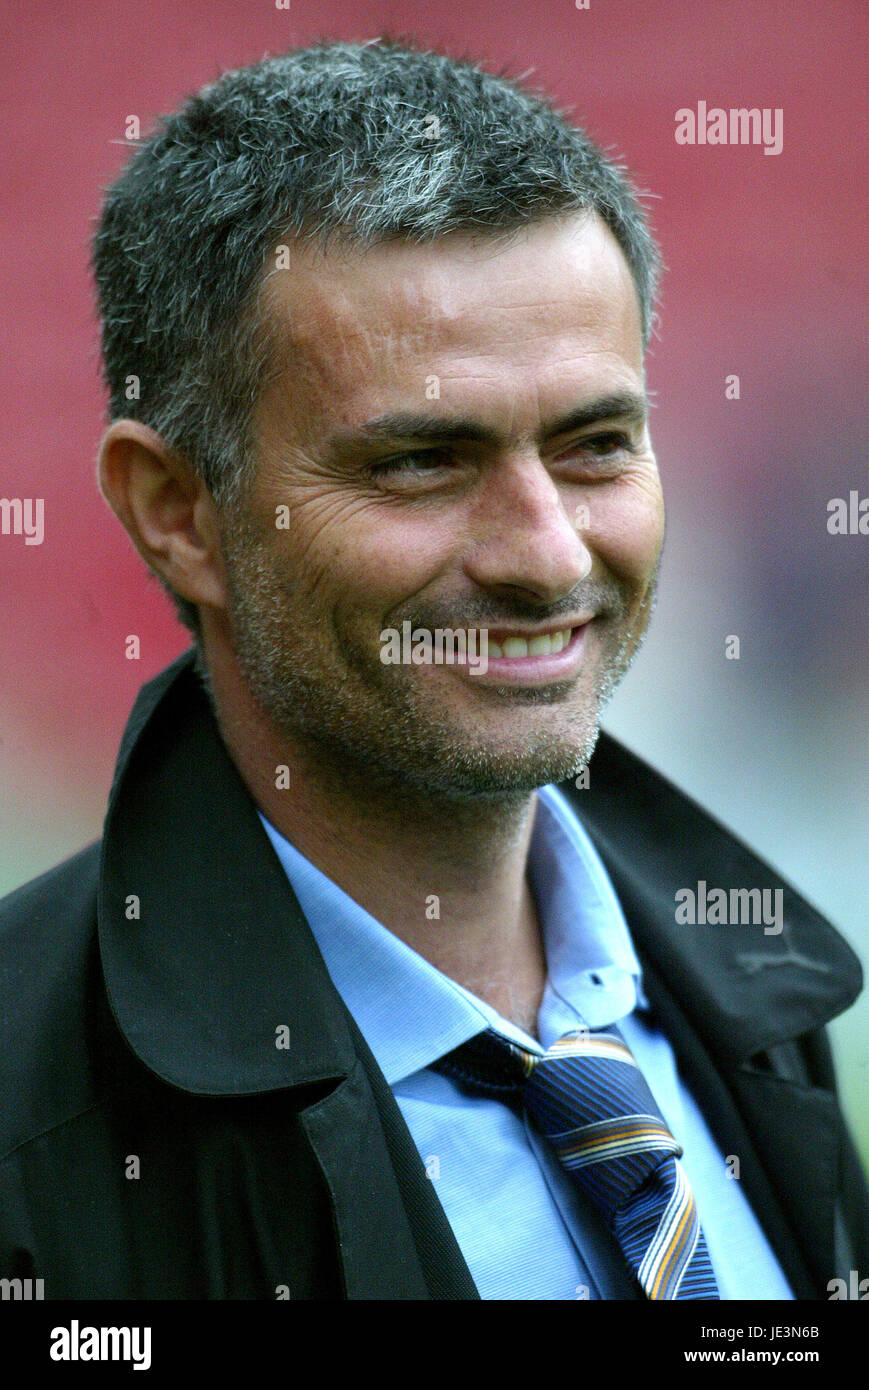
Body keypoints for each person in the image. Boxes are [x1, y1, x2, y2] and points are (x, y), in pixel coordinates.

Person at [1, 38, 866, 1302]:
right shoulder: (33, 1130)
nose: (546, 553)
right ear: (178, 511)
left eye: (593, 445)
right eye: (420, 462)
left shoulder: (762, 987)